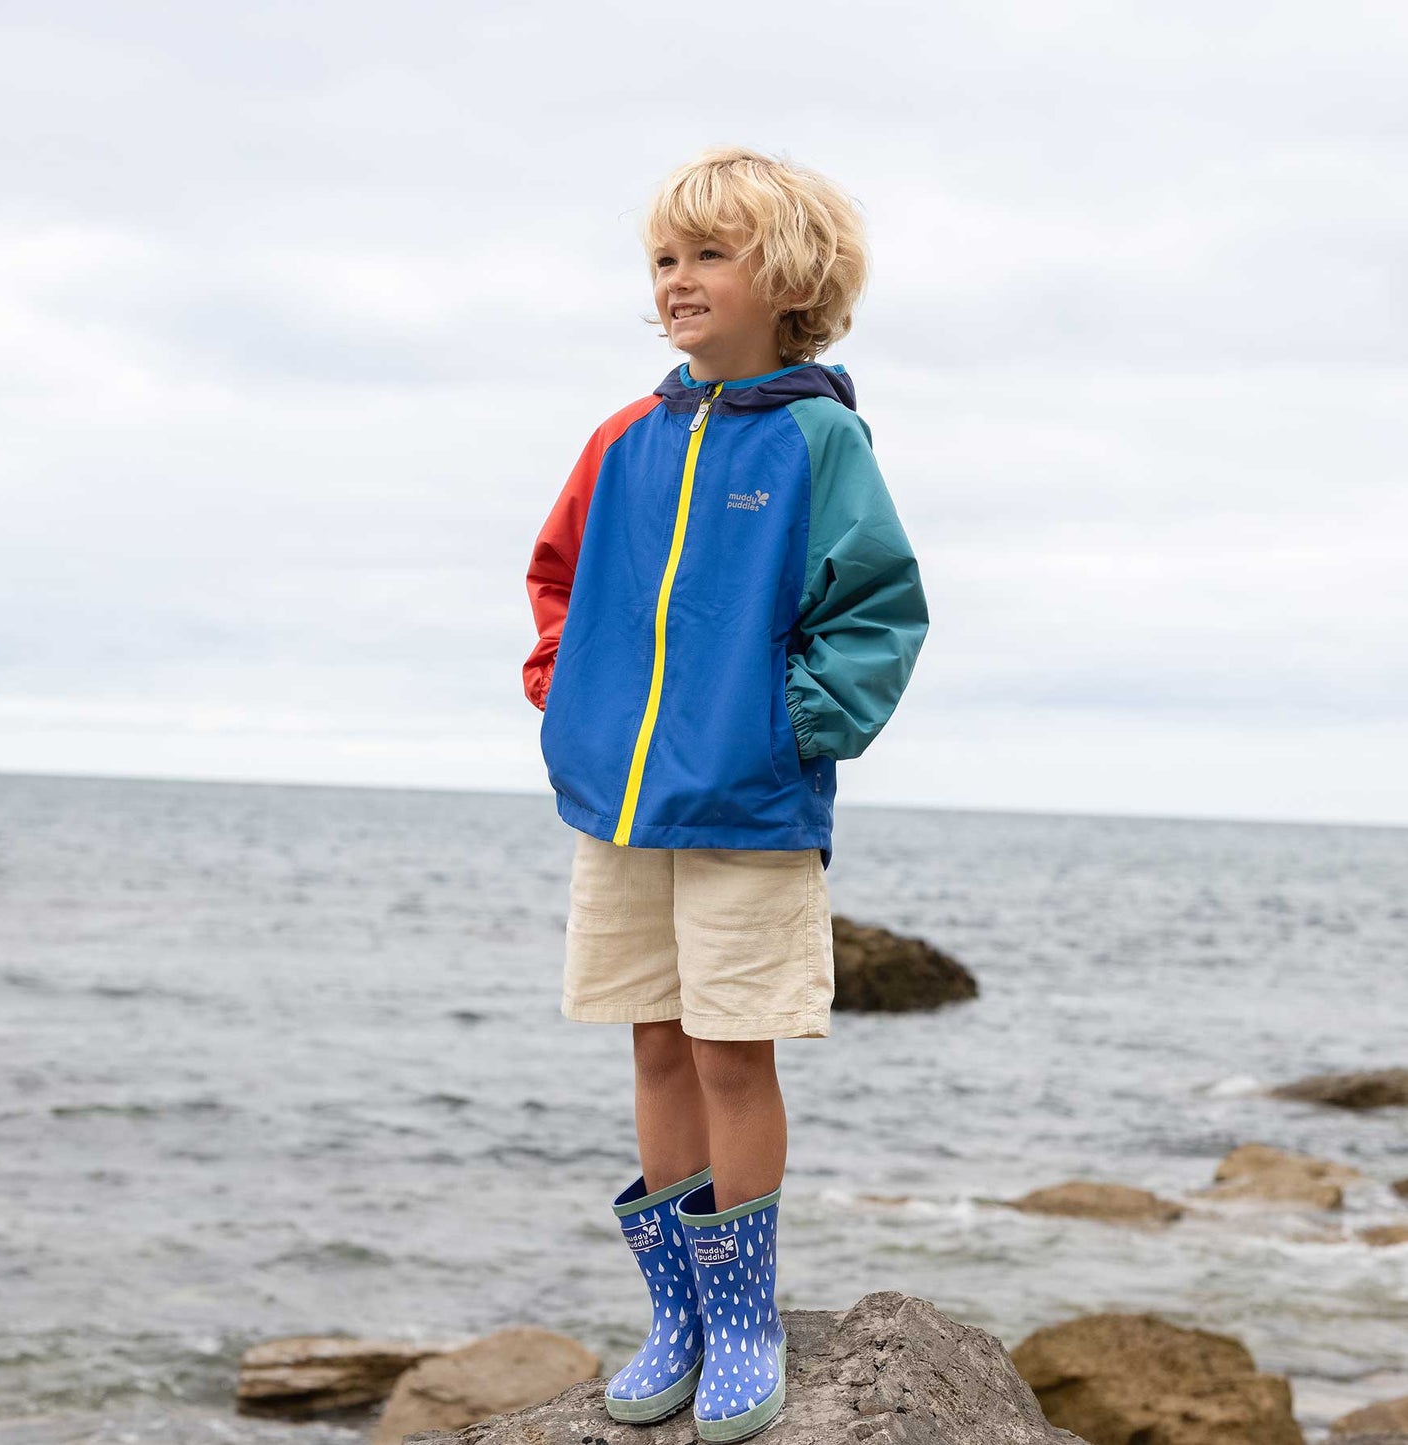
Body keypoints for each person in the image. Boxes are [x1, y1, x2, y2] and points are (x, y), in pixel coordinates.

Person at [522, 146, 928, 1442]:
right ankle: (679, 1318)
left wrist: (790, 731)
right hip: (619, 807)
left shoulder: (819, 439)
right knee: (652, 1042)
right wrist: (567, 700)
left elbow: (874, 611)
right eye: (664, 258)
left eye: (711, 254)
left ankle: (746, 1322)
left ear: (791, 279)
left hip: (749, 809)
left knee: (729, 1052)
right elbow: (555, 575)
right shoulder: (622, 438)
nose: (678, 279)